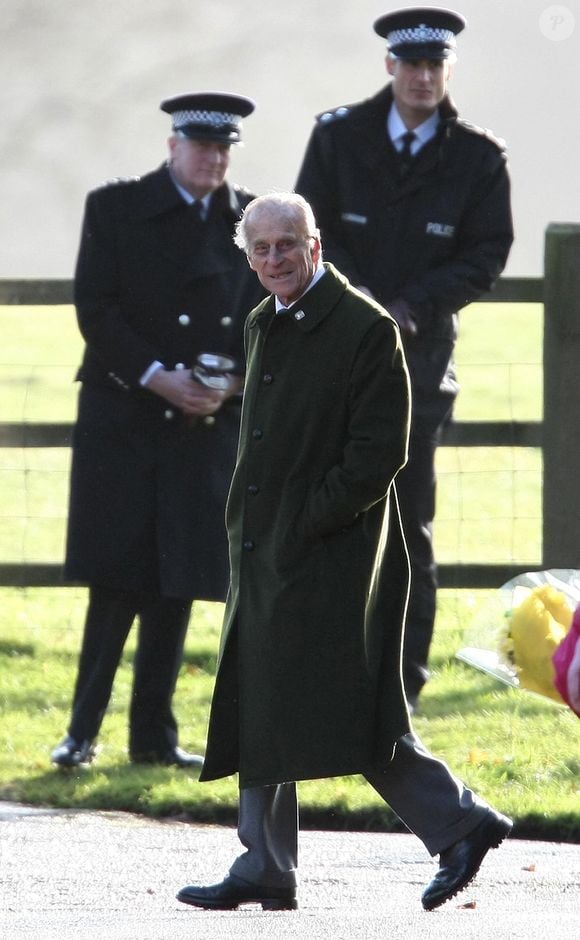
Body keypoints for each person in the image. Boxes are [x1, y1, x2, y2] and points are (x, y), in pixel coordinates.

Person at [175, 192, 512, 913]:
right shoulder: (266, 318)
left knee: (345, 702)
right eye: (260, 248)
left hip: (331, 554)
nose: (274, 260)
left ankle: (460, 821)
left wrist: (304, 523)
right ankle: (264, 864)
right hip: (268, 548)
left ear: (315, 245)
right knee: (261, 691)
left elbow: (378, 453)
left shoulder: (364, 325)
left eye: (287, 246)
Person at [295, 8, 514, 711]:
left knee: (408, 519)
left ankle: (400, 682)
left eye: (434, 66)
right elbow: (308, 230)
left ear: (448, 71)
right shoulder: (337, 138)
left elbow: (486, 255)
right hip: (334, 352)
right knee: (326, 510)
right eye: (410, 64)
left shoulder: (479, 157)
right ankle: (324, 668)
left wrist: (413, 305)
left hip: (420, 363)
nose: (422, 77)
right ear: (389, 66)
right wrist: (361, 302)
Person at [52, 92, 263, 769]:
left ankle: (154, 738)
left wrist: (228, 385)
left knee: (179, 580)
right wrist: (155, 376)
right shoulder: (115, 208)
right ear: (172, 145)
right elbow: (97, 308)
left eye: (224, 147)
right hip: (125, 416)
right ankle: (81, 732)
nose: (214, 158)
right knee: (116, 580)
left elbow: (269, 313)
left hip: (205, 423)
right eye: (201, 145)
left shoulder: (252, 220)